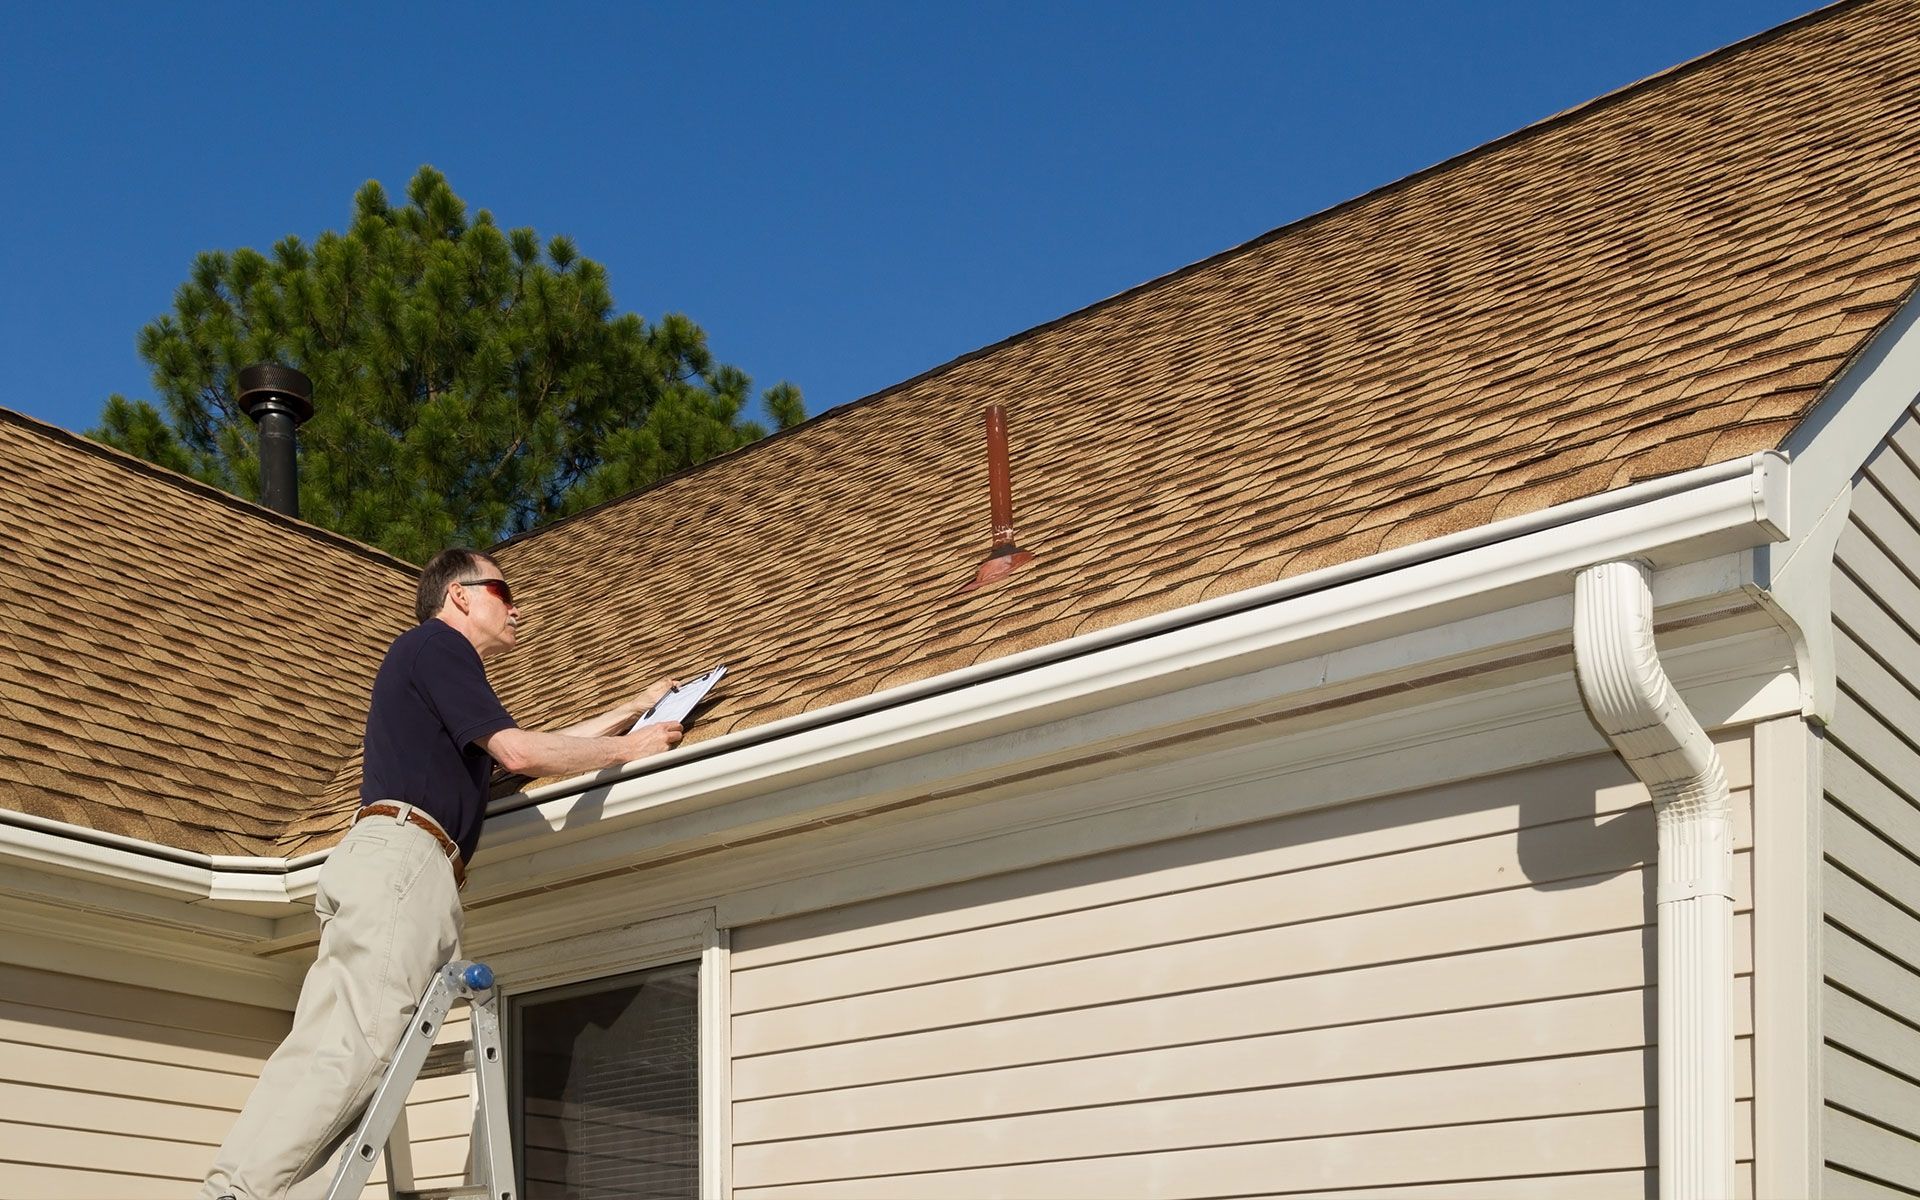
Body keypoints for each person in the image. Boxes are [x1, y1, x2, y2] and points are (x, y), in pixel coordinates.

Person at [203, 547, 683, 1200]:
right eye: (502, 591)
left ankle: (252, 1188)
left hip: (385, 860)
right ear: (458, 595)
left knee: (336, 1052)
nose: (517, 607)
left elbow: (521, 754)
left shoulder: (431, 683)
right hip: (406, 862)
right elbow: (519, 748)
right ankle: (237, 1193)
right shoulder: (437, 646)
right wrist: (635, 747)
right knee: (362, 1050)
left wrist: (635, 709)